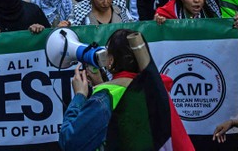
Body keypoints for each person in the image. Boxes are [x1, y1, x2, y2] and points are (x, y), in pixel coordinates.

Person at [59, 29, 193, 151]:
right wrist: (101, 84)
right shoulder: (155, 88)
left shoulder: (105, 97)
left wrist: (80, 95)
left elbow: (69, 142)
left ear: (110, 61)